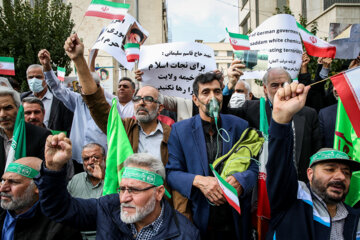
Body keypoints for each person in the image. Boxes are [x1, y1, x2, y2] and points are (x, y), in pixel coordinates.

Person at [34, 133, 200, 239]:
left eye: (134, 190)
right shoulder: (108, 207)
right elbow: (59, 209)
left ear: (158, 192)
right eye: (122, 189)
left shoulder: (186, 235)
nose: (125, 198)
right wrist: (53, 169)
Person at [166, 71, 259, 239]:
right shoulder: (180, 131)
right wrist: (199, 181)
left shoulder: (239, 125)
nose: (213, 97)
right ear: (195, 99)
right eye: (205, 92)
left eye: (217, 91)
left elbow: (253, 166)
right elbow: (172, 174)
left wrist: (242, 180)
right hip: (199, 220)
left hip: (235, 220)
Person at [266, 81, 360, 239]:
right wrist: (281, 121)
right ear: (310, 174)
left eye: (346, 172)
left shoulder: (355, 219)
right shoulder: (291, 202)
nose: (340, 177)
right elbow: (279, 166)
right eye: (330, 169)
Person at [228, 67, 322, 182]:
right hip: (262, 187)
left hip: (299, 185)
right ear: (265, 89)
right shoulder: (251, 109)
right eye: (274, 85)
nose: (280, 90)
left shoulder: (308, 114)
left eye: (284, 84)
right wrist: (229, 86)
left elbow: (317, 153)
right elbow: (223, 115)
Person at [38, 49, 112, 168]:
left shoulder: (110, 105)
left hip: (102, 160)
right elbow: (57, 88)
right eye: (80, 86)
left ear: (97, 87)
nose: (82, 89)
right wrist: (47, 66)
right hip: (77, 159)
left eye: (86, 86)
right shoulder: (77, 100)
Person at [0, 157, 82, 239]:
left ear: (38, 186)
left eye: (14, 182)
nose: (2, 188)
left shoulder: (61, 226)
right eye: (3, 180)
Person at [0, 86, 50, 175]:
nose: (2, 114)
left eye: (8, 108)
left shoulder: (41, 136)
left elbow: (45, 174)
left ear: (19, 109)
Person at [67, 143, 106, 240]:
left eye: (95, 158)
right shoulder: (76, 179)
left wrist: (103, 178)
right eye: (86, 159)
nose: (90, 162)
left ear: (105, 159)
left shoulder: (113, 180)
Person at [20, 64, 73, 135]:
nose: (34, 80)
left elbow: (69, 128)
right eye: (31, 77)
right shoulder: (22, 99)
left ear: (46, 78)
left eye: (38, 77)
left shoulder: (60, 100)